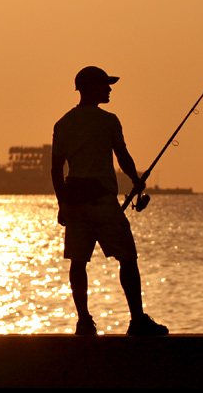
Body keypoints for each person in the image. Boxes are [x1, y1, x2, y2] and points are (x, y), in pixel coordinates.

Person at [51, 66, 168, 336]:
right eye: (105, 85)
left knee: (78, 263)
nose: (110, 89)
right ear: (91, 88)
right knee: (128, 258)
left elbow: (57, 170)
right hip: (103, 202)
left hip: (76, 202)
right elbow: (123, 157)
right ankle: (137, 320)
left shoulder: (63, 123)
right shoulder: (109, 121)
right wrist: (136, 180)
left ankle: (83, 322)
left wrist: (63, 204)